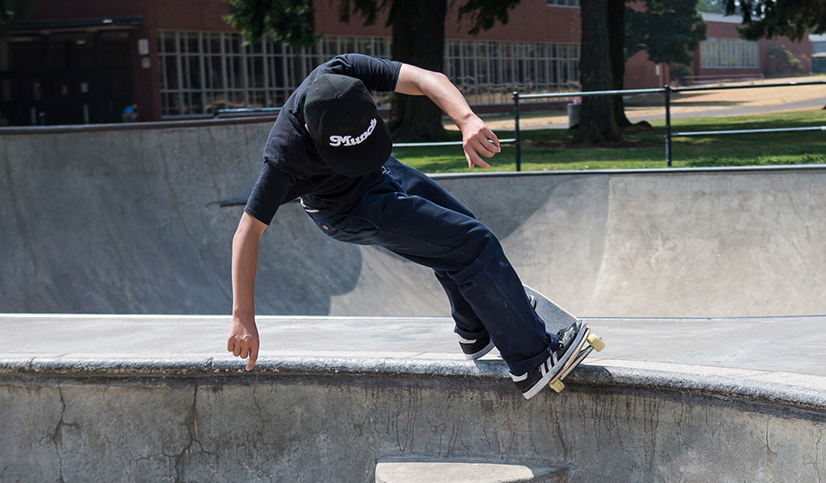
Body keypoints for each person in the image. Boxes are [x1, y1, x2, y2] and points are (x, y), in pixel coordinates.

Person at [225, 54, 588, 398]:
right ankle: (533, 362)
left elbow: (429, 80)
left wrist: (466, 119)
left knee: (461, 229)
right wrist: (243, 317)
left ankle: (475, 330)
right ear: (310, 130)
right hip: (345, 210)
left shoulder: (344, 72)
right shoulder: (284, 155)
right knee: (474, 246)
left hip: (380, 172)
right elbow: (247, 232)